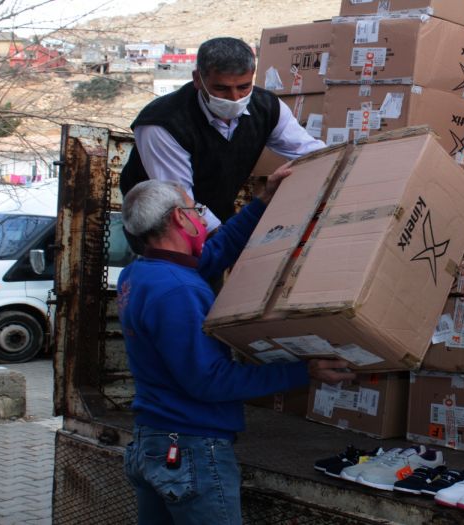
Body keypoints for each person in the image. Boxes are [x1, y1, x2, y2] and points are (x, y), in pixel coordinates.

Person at [118, 179, 354, 525]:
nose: (201, 219)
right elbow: (209, 381)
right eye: (196, 211)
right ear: (180, 220)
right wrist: (302, 371)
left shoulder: (139, 274)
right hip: (191, 448)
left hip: (153, 442)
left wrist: (260, 203)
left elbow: (213, 254)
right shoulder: (177, 291)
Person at [120, 36, 325, 235]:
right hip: (162, 229)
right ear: (198, 80)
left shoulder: (266, 107)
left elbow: (309, 152)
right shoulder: (162, 124)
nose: (234, 98)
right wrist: (226, 242)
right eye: (221, 89)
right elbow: (181, 200)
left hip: (218, 211)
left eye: (244, 87)